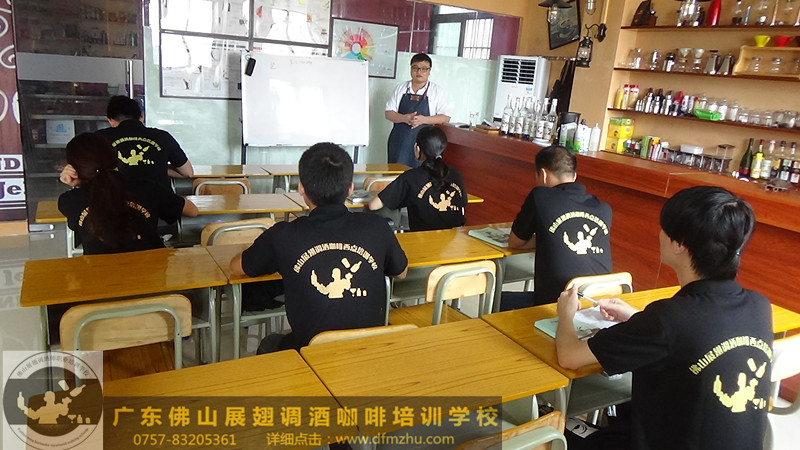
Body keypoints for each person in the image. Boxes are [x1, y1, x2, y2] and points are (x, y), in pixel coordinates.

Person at [555, 186, 772, 450]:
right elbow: (696, 337)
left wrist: (566, 314)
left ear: (679, 245)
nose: (659, 235)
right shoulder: (760, 306)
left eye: (664, 229)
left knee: (554, 432)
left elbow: (569, 356)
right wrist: (638, 318)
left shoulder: (667, 318)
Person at [230, 143, 408, 352]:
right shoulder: (377, 227)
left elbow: (236, 267)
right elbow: (402, 272)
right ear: (350, 188)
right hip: (368, 351)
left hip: (311, 354)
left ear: (301, 188)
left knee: (269, 344)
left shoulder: (282, 235)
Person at [502, 145, 612, 309]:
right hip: (598, 306)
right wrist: (551, 238)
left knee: (495, 301)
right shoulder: (604, 208)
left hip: (556, 306)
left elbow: (515, 242)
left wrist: (549, 238)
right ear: (574, 176)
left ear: (543, 174)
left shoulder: (540, 196)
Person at [58, 132, 198, 255]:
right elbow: (193, 211)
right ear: (115, 156)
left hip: (100, 275)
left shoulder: (69, 201)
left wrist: (78, 185)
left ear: (75, 169)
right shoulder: (147, 187)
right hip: (152, 273)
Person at [60, 96, 193, 191]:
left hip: (112, 209)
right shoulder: (163, 136)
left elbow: (83, 172)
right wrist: (157, 165)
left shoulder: (99, 139)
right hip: (161, 211)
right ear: (141, 117)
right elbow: (187, 173)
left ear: (110, 120)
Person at [368, 125, 466, 231]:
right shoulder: (455, 174)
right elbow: (463, 203)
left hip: (422, 240)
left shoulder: (410, 177)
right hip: (457, 239)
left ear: (417, 149)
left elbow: (373, 205)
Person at [385, 53, 452, 168]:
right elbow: (388, 113)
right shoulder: (400, 88)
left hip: (425, 145)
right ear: (411, 69)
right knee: (395, 173)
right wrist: (405, 118)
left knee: (421, 174)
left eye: (424, 69)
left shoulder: (437, 91)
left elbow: (445, 117)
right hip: (399, 141)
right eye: (415, 68)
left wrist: (423, 120)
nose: (419, 71)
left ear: (429, 71)